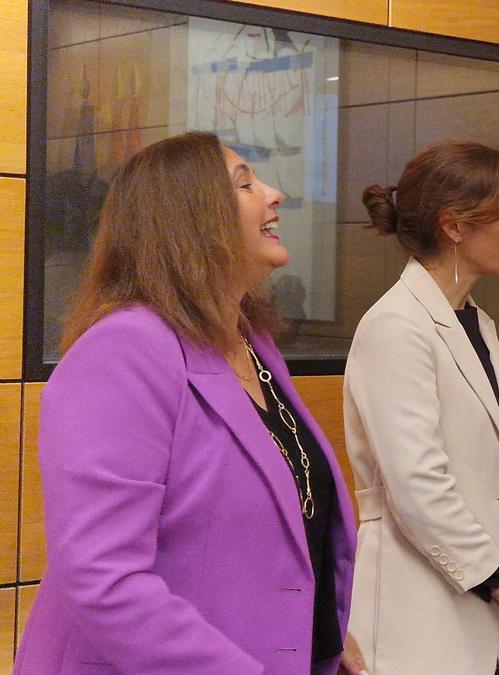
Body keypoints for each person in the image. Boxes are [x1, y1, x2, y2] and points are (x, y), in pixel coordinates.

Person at [15, 132, 359, 673]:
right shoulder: (125, 349)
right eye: (245, 183)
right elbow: (103, 578)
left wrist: (320, 632)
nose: (274, 194)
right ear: (190, 219)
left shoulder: (251, 342)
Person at [344, 141, 499, 673]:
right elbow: (417, 485)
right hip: (418, 611)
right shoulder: (395, 325)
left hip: (479, 598)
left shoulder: (477, 322)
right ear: (455, 226)